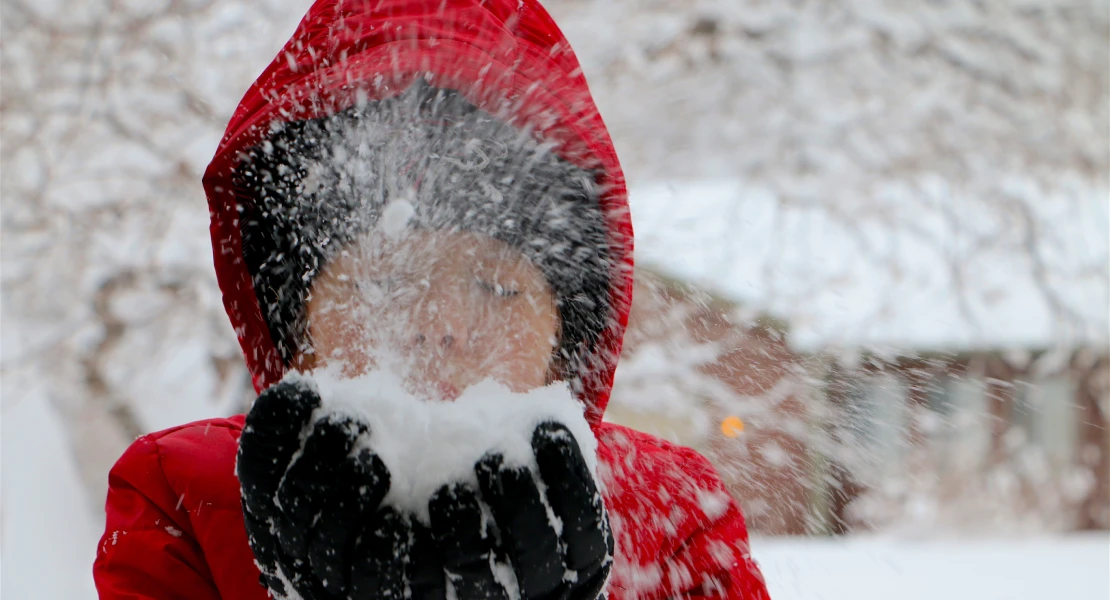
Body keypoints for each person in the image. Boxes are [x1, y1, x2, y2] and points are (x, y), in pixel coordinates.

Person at [92, 1, 771, 598]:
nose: (439, 327)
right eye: (385, 282)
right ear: (292, 331)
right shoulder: (191, 504)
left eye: (498, 288)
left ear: (566, 343)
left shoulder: (670, 517)